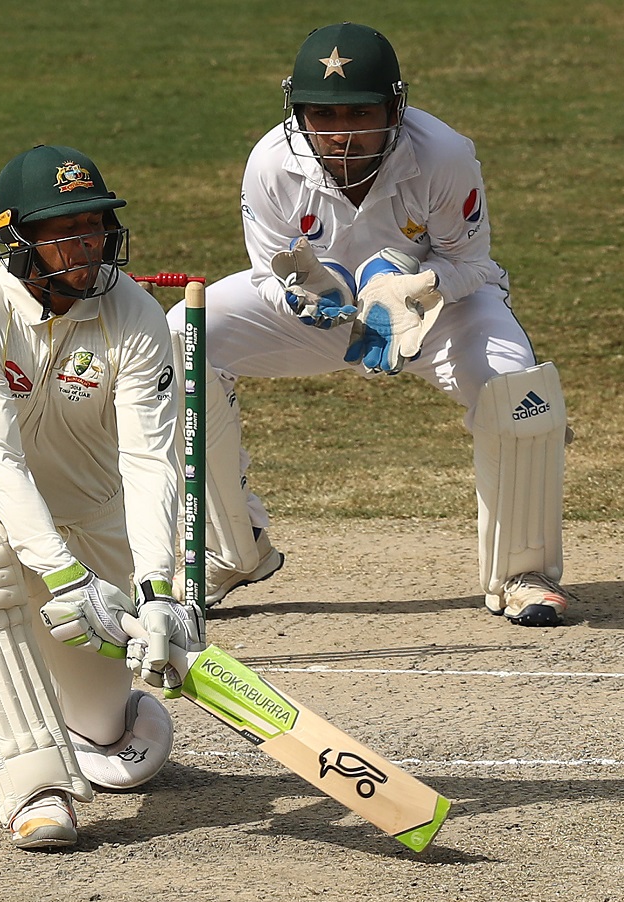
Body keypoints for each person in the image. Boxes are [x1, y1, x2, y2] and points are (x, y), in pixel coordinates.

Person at [167, 22, 571, 626]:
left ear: (394, 108)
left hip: (438, 312)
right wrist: (304, 300)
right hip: (325, 316)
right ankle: (232, 550)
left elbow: (472, 263)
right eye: (323, 116)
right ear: (297, 112)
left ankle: (523, 572)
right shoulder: (272, 163)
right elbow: (270, 275)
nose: (342, 133)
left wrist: (418, 288)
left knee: (520, 393)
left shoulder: (444, 155)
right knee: (185, 337)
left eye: (360, 112)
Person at [0, 144, 197, 850]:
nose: (85, 247)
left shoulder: (136, 313)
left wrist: (156, 587)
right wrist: (62, 575)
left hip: (93, 520)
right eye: (63, 233)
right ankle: (37, 791)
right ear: (15, 241)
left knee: (115, 745)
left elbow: (151, 458)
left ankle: (99, 723)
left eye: (93, 228)